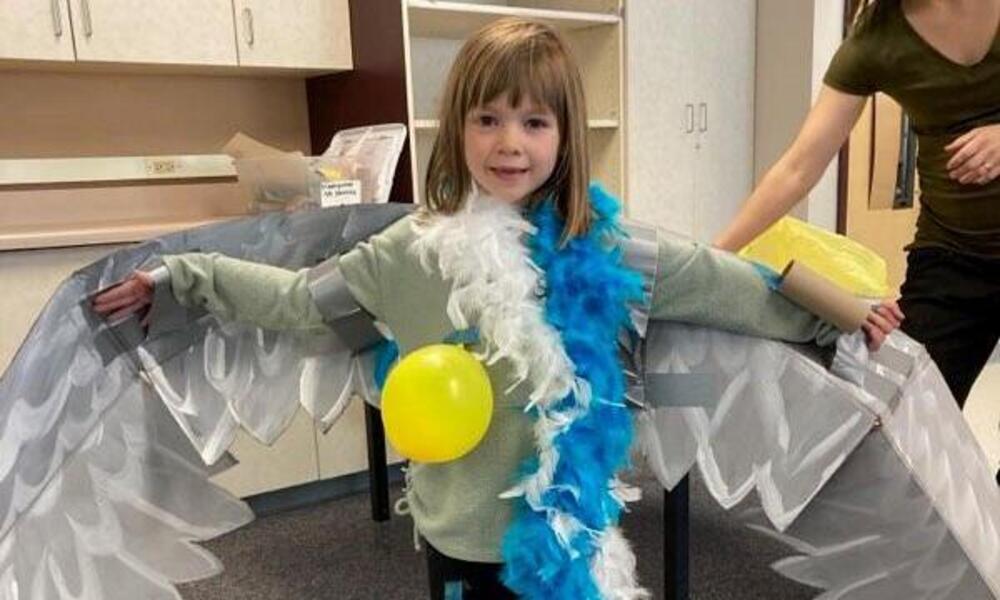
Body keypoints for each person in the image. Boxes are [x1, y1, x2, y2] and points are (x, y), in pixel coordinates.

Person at [92, 18, 896, 600]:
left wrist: (839, 309)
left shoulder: (613, 252)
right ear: (459, 131)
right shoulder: (410, 253)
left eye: (533, 121)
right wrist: (183, 277)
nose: (510, 142)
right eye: (488, 118)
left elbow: (733, 287)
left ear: (564, 136)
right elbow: (300, 303)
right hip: (459, 538)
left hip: (568, 538)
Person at [714, 0, 999, 412]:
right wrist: (715, 254)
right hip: (951, 259)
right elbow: (797, 169)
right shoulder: (875, 39)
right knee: (908, 418)